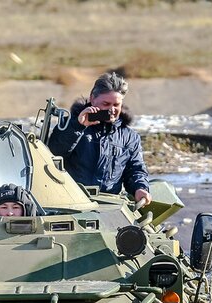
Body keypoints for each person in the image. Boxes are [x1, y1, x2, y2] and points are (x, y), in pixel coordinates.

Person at [47, 72, 152, 205]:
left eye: (116, 105)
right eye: (106, 104)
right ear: (92, 99)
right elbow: (52, 155)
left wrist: (140, 188)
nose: (111, 110)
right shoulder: (68, 126)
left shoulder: (129, 137)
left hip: (109, 205)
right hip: (72, 201)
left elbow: (135, 170)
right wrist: (77, 127)